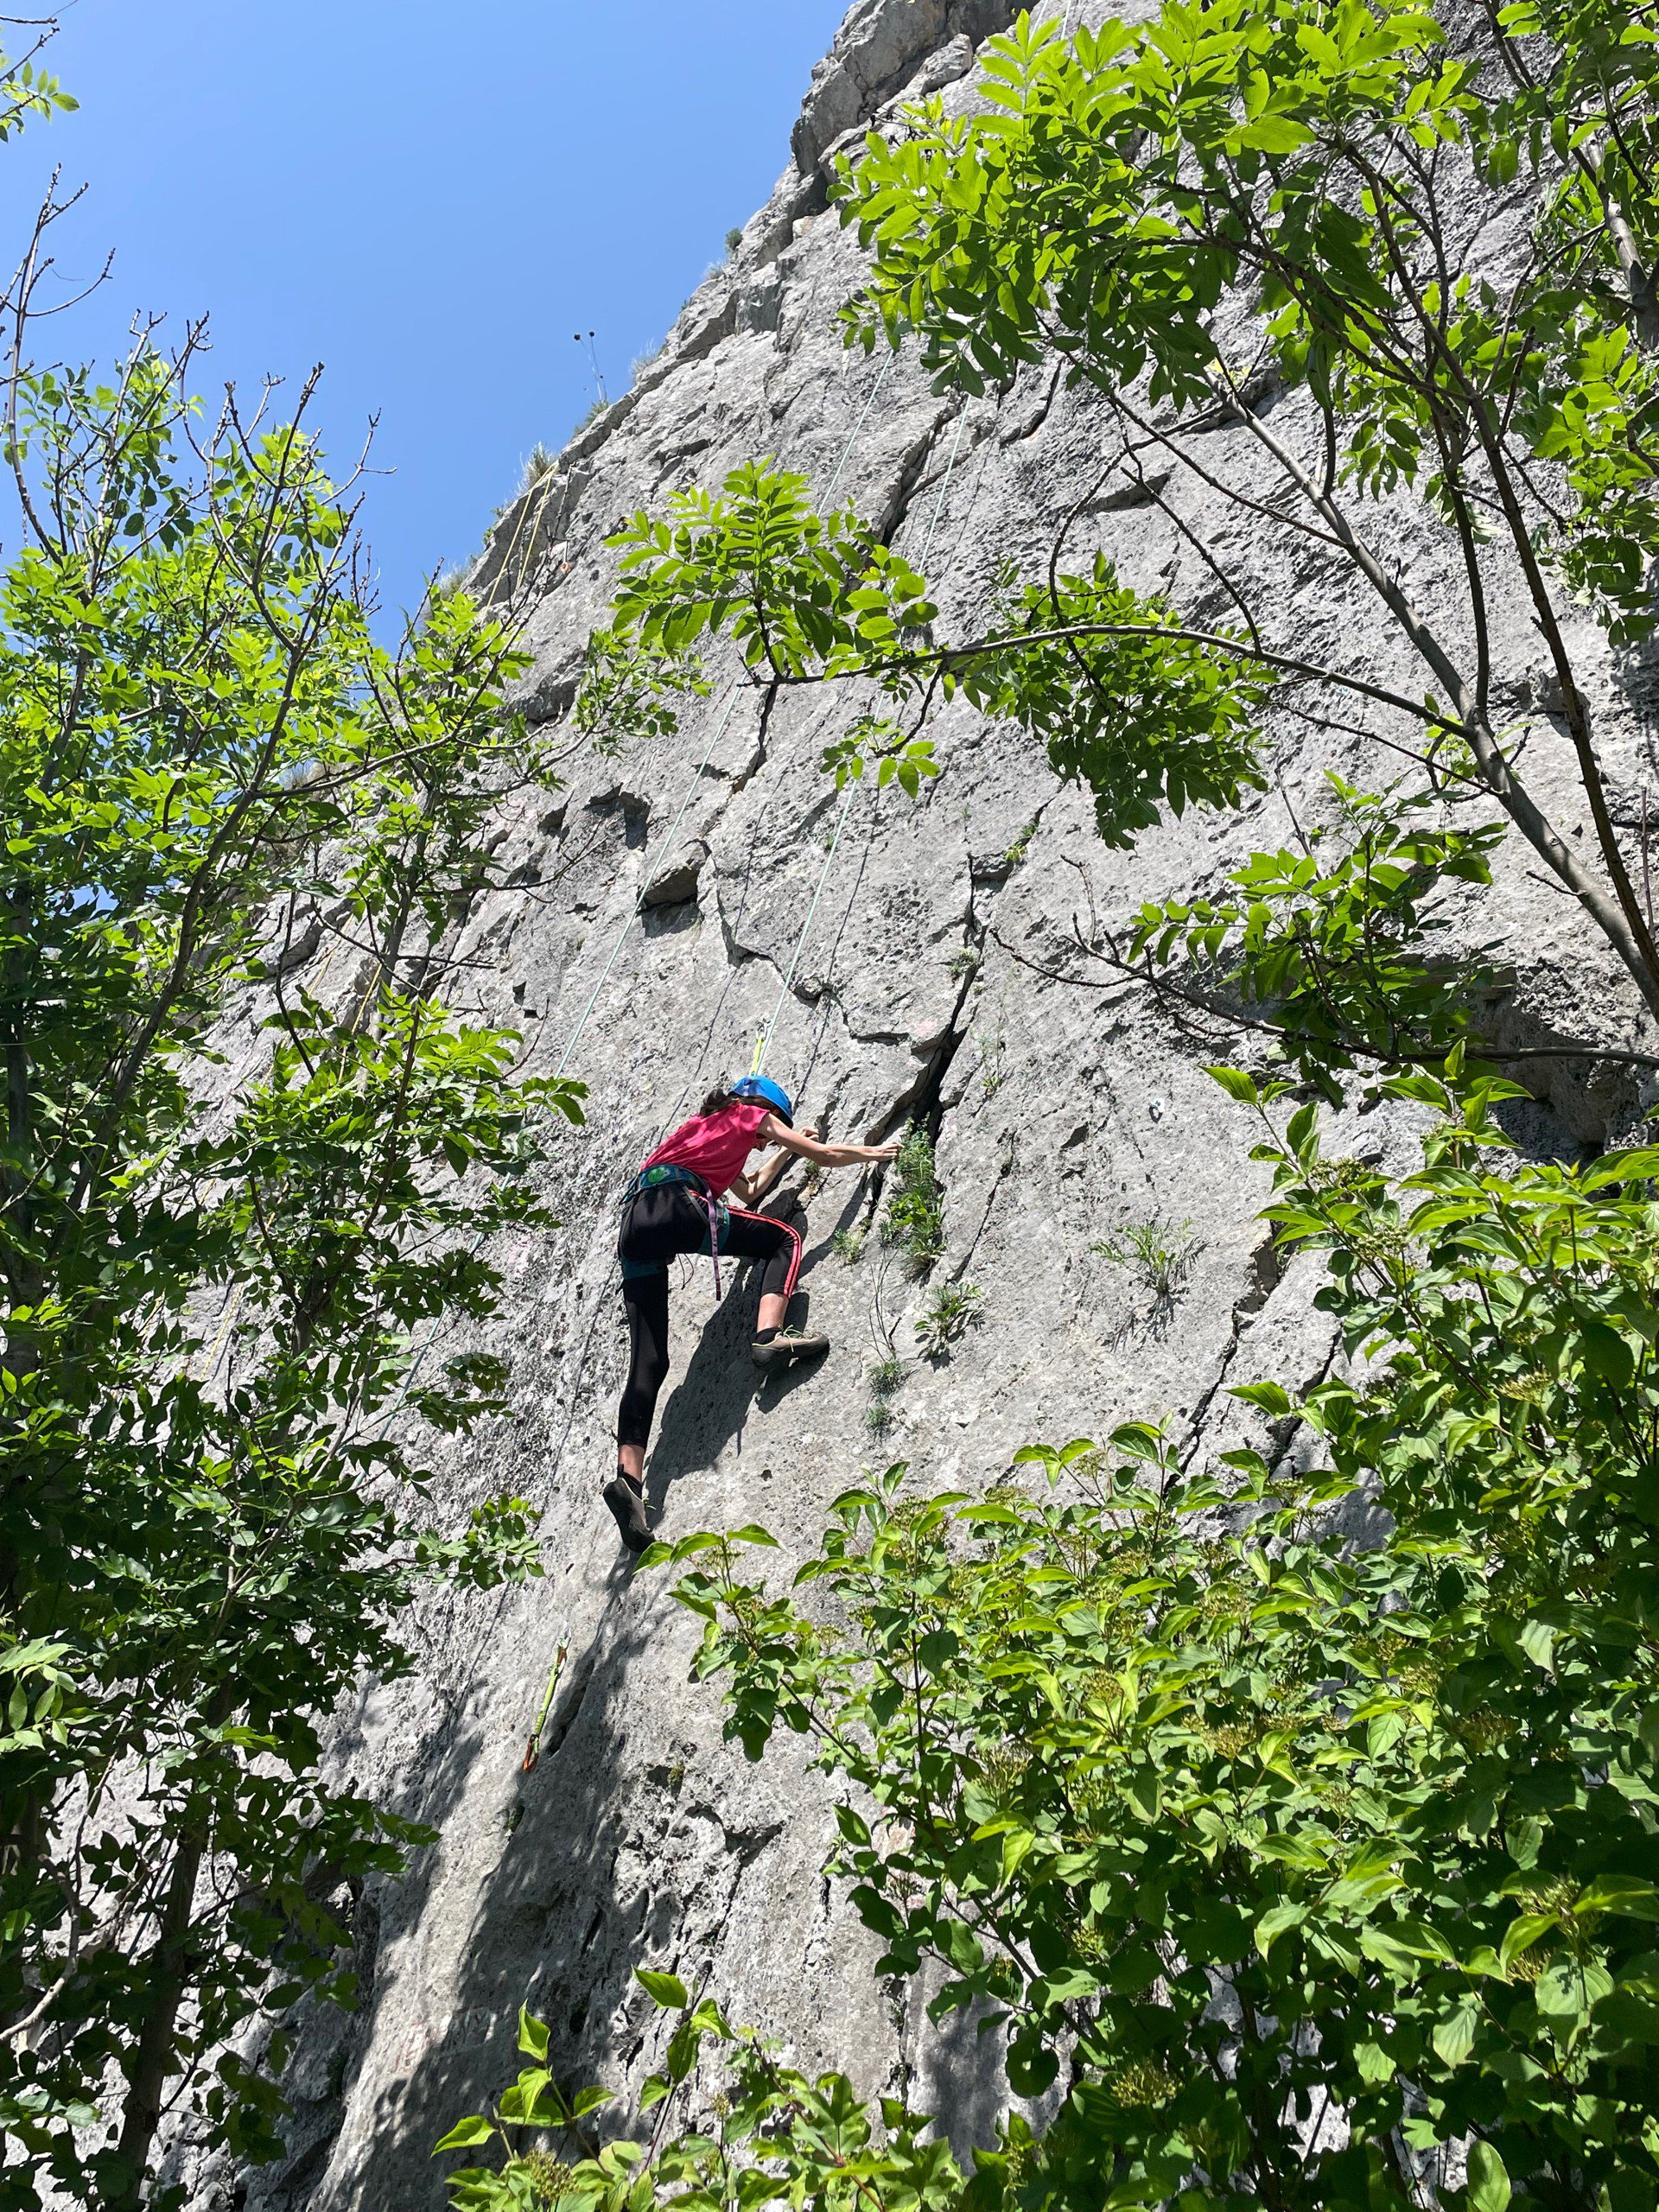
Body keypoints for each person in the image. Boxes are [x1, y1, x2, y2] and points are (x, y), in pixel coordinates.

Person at [604, 1073, 899, 1551]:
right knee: (784, 1239)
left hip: (637, 1219)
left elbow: (749, 1190)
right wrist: (869, 1153)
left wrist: (787, 1149)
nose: (766, 1140)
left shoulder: (700, 1126)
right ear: (765, 1110)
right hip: (681, 1205)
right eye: (774, 1129)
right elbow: (823, 1158)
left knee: (649, 1362)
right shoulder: (750, 1114)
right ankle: (768, 1338)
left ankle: (630, 1483)